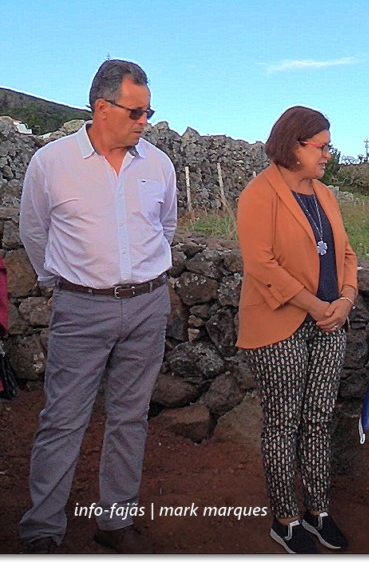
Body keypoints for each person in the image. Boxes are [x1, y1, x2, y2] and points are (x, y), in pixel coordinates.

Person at [18, 59, 176, 554]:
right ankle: (43, 532)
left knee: (130, 417)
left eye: (149, 112)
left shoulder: (159, 165)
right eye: (136, 112)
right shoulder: (52, 163)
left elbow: (165, 229)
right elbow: (34, 231)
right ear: (102, 108)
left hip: (148, 305)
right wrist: (65, 284)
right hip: (81, 309)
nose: (144, 122)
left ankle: (115, 523)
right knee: (63, 419)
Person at [236, 105, 358, 554]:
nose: (328, 155)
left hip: (329, 322)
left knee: (318, 420)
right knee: (283, 423)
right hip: (279, 324)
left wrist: (343, 301)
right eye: (322, 147)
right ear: (294, 146)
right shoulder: (259, 194)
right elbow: (260, 264)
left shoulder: (324, 194)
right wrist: (317, 305)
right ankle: (285, 519)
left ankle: (318, 511)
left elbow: (346, 253)